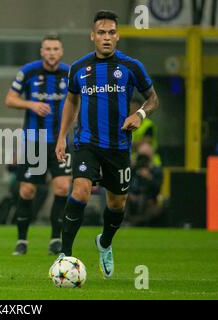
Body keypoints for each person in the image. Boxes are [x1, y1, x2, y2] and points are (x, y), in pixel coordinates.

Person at [54, 10, 160, 278]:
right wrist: (61, 137)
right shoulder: (78, 68)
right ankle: (64, 255)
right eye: (101, 32)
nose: (106, 37)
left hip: (119, 147)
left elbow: (153, 99)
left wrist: (140, 114)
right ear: (92, 36)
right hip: (87, 143)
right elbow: (71, 101)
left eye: (111, 32)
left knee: (116, 205)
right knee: (80, 192)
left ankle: (104, 243)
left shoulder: (131, 66)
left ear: (118, 35)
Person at [4, 35, 72, 255]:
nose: (51, 52)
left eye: (55, 49)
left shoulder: (69, 73)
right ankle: (22, 240)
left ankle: (55, 239)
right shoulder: (29, 71)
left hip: (60, 141)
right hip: (35, 141)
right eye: (47, 49)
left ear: (61, 52)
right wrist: (31, 104)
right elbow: (10, 99)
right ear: (41, 52)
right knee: (27, 190)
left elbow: (79, 101)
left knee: (62, 187)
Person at [125, 142, 164, 226]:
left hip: (147, 201)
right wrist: (130, 167)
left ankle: (136, 222)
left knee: (157, 209)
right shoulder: (132, 168)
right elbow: (123, 184)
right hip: (130, 200)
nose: (143, 159)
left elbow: (157, 190)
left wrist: (149, 177)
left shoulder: (156, 171)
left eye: (145, 156)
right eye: (141, 156)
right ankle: (130, 221)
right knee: (121, 198)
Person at [130, 95, 162, 167]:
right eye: (131, 108)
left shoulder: (148, 125)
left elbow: (145, 144)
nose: (132, 110)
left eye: (135, 108)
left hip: (149, 163)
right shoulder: (126, 123)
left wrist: (127, 144)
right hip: (131, 162)